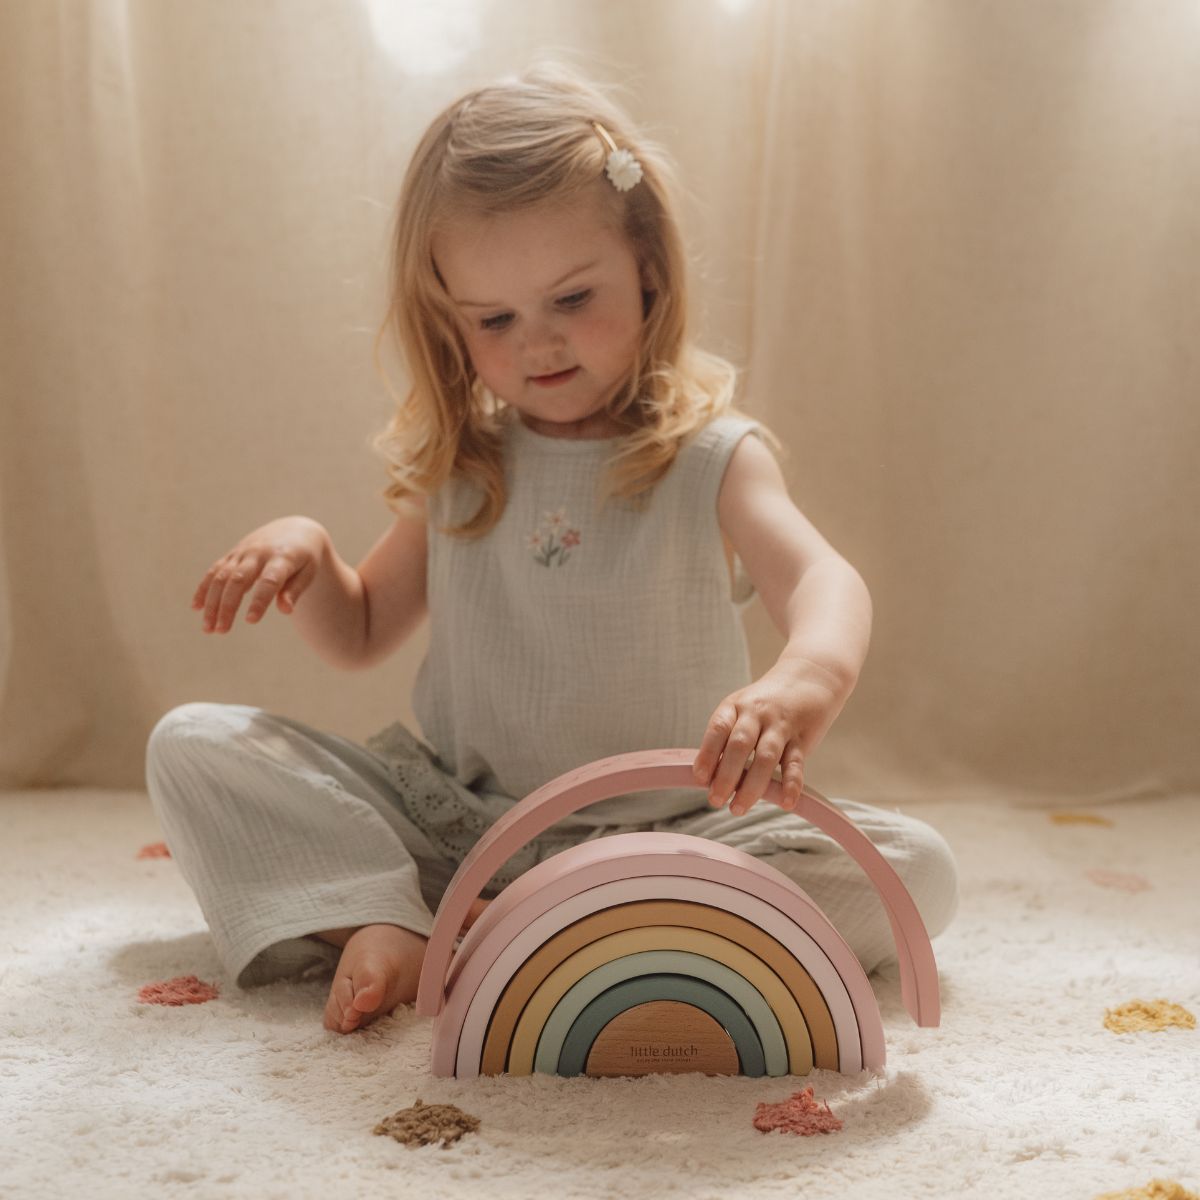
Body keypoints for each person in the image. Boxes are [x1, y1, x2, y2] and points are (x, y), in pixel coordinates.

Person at [146, 63, 958, 1037]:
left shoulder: (708, 457)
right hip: (457, 821)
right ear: (451, 322)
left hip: (669, 833)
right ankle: (410, 919)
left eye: (573, 299)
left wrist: (804, 681)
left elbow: (822, 578)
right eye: (495, 320)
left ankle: (508, 930)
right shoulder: (467, 466)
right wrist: (310, 554)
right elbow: (360, 630)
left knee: (914, 871)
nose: (539, 343)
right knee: (192, 746)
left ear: (648, 267)